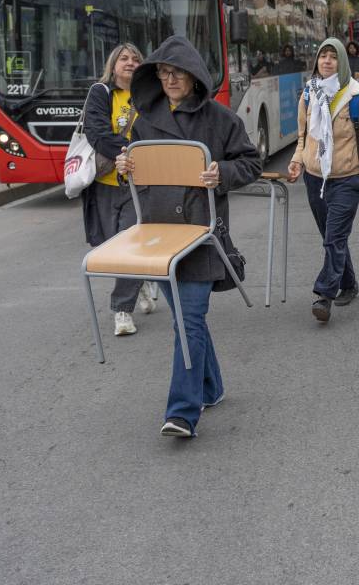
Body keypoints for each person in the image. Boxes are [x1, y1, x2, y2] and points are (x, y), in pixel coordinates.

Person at [115, 36, 261, 439]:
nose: (169, 79)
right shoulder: (144, 119)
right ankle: (210, 387)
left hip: (201, 234)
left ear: (194, 75)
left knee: (189, 318)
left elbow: (251, 161)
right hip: (158, 236)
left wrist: (222, 174)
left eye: (176, 72)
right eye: (162, 73)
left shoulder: (221, 119)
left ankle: (182, 411)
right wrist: (126, 163)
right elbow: (134, 162)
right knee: (186, 321)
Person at [288, 38, 359, 322]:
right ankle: (349, 283)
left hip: (346, 179)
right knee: (332, 238)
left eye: (333, 57)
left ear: (341, 62)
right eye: (322, 56)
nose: (327, 61)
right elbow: (303, 135)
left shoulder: (358, 99)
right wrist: (296, 160)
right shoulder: (309, 94)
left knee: (334, 238)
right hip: (314, 178)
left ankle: (324, 295)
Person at [81, 42, 156, 337]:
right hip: (105, 185)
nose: (130, 62)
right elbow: (96, 132)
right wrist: (126, 152)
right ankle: (140, 282)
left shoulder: (149, 96)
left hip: (140, 185)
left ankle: (121, 310)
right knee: (111, 247)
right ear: (112, 65)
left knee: (131, 246)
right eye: (123, 58)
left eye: (135, 59)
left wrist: (136, 157)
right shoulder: (100, 93)